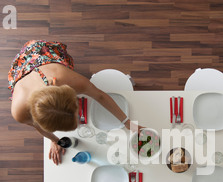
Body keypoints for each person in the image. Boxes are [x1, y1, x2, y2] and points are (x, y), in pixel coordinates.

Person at [8, 40, 139, 165]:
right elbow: (38, 127)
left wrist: (127, 122)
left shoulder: (64, 77)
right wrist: (55, 141)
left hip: (39, 54)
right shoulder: (19, 112)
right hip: (24, 72)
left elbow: (100, 96)